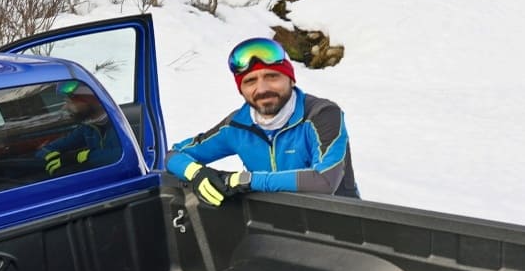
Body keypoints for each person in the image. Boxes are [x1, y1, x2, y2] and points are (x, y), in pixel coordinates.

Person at [167, 37, 359, 204]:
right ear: (241, 89)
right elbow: (174, 154)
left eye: (272, 76)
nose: (262, 88)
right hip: (271, 226)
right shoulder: (236, 126)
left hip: (340, 226)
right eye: (250, 81)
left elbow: (324, 181)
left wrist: (247, 180)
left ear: (291, 79)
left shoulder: (321, 115)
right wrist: (196, 173)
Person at [38, 80, 122, 177]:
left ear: (89, 101)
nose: (64, 108)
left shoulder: (119, 125)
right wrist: (49, 155)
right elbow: (52, 147)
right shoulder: (88, 128)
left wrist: (83, 156)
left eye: (69, 102)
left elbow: (121, 156)